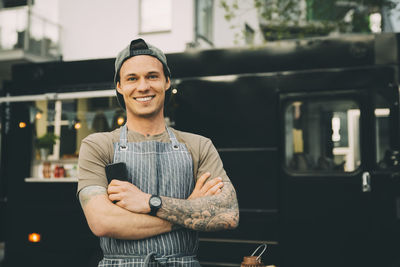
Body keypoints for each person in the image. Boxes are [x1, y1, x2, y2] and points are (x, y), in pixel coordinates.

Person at [77, 38, 239, 267]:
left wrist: (150, 202)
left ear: (166, 82)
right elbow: (102, 222)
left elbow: (227, 214)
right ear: (119, 86)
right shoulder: (98, 145)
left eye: (152, 76)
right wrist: (189, 211)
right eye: (132, 78)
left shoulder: (199, 145)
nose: (143, 86)